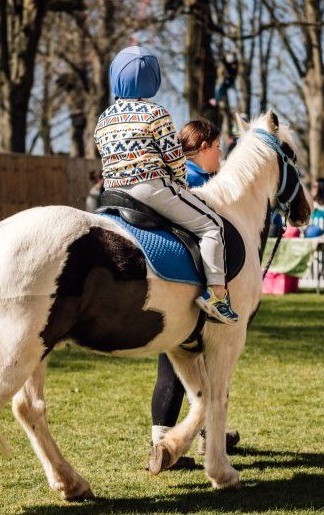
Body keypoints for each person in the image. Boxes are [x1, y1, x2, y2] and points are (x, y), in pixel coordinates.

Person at [94, 46, 237, 324]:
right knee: (211, 225)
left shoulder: (104, 118)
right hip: (149, 188)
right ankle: (217, 296)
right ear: (153, 79)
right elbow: (174, 160)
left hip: (112, 192)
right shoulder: (155, 113)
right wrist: (181, 186)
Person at [149, 118, 240, 469]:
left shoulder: (171, 177)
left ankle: (203, 434)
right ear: (203, 148)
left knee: (180, 367)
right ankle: (167, 441)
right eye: (217, 148)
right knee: (180, 367)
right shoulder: (200, 184)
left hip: (171, 280)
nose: (220, 155)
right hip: (190, 289)